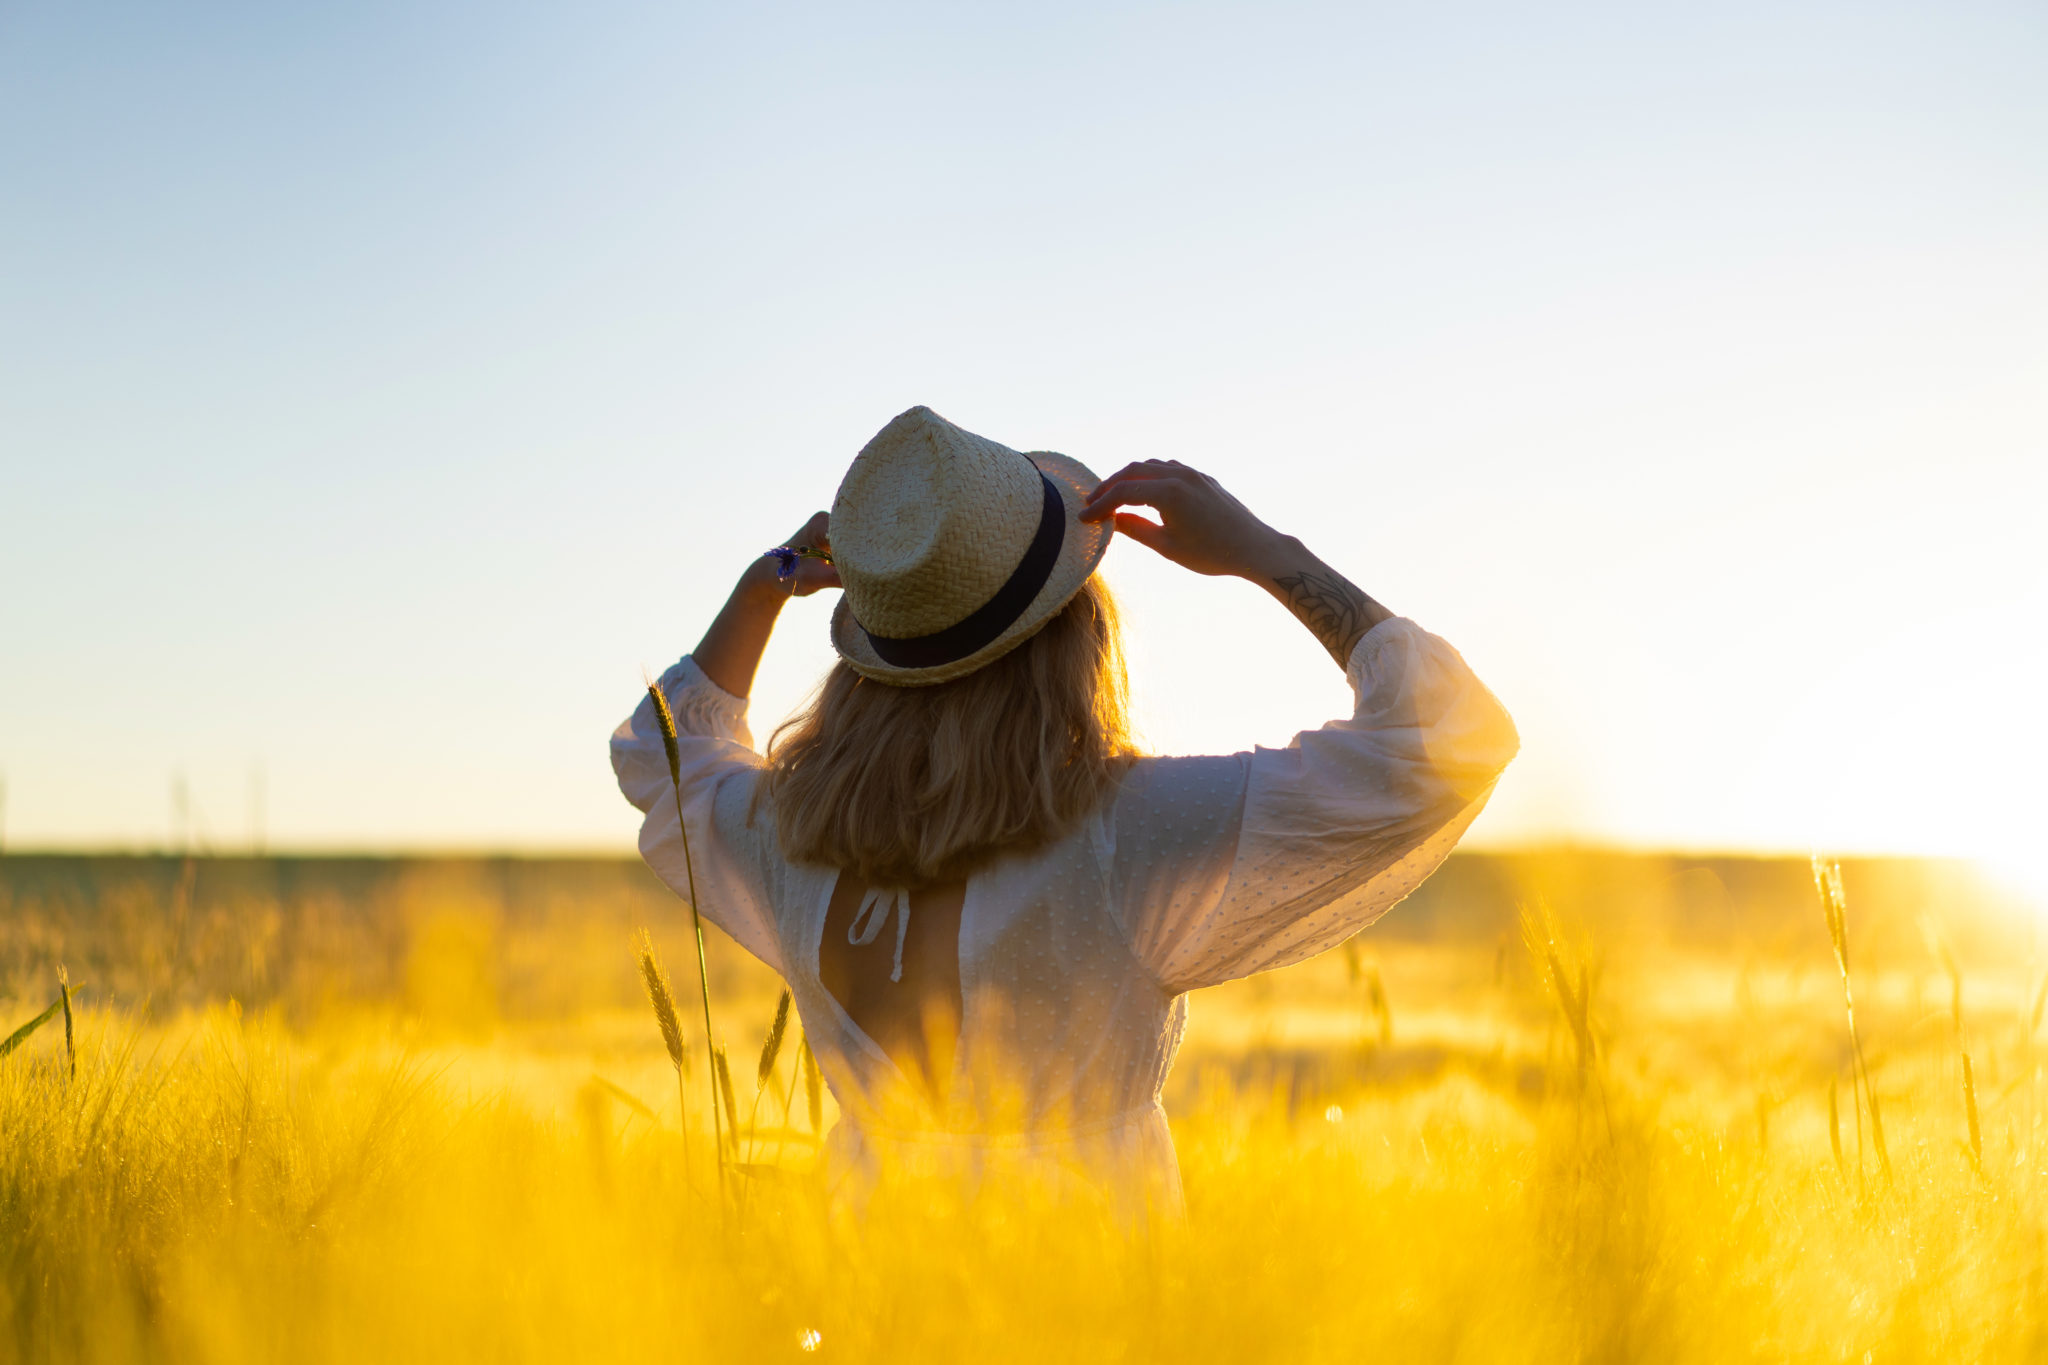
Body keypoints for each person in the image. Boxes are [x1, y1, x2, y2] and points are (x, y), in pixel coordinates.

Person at [611, 406, 1518, 1205]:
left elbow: (663, 753)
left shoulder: (791, 838)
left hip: (866, 1295)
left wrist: (766, 582)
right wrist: (1265, 553)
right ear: (1073, 637)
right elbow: (1448, 740)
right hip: (1090, 1305)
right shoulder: (1129, 832)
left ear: (870, 661)